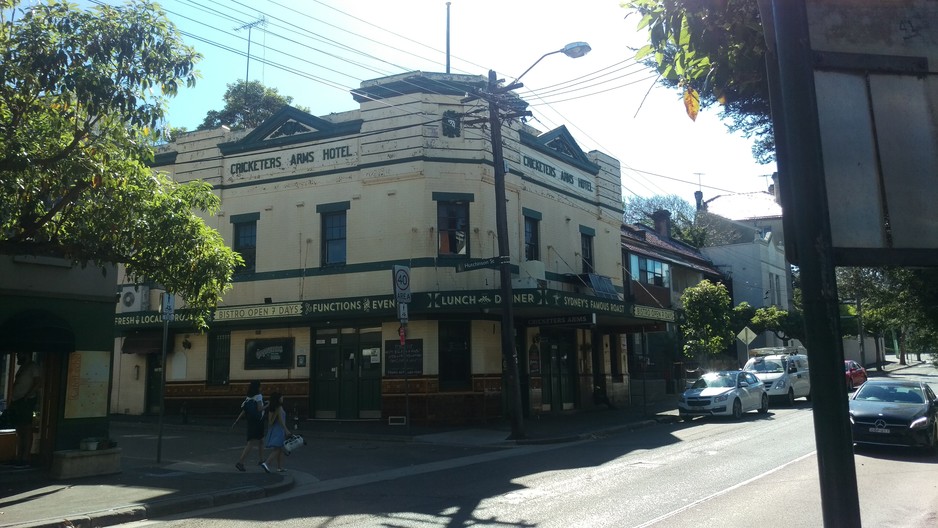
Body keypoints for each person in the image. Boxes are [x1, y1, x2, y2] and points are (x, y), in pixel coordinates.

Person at [10, 351, 41, 469]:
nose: (17, 356)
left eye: (19, 355)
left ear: (26, 354)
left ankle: (25, 458)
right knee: (20, 429)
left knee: (26, 428)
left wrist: (28, 395)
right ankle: (19, 456)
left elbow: (38, 382)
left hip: (26, 401)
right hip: (18, 400)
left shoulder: (33, 367)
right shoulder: (23, 367)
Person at [231, 380, 265, 472]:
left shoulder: (248, 397)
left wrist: (237, 421)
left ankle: (262, 460)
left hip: (251, 421)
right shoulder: (258, 396)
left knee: (260, 440)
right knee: (251, 442)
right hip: (258, 421)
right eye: (260, 386)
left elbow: (244, 410)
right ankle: (240, 462)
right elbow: (260, 408)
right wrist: (267, 404)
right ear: (257, 387)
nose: (261, 387)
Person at [260, 392, 291, 473]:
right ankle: (266, 463)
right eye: (281, 397)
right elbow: (279, 421)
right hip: (278, 430)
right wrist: (286, 430)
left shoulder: (276, 407)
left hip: (277, 430)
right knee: (278, 448)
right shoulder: (277, 408)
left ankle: (280, 467)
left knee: (280, 449)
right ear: (278, 399)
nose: (282, 398)